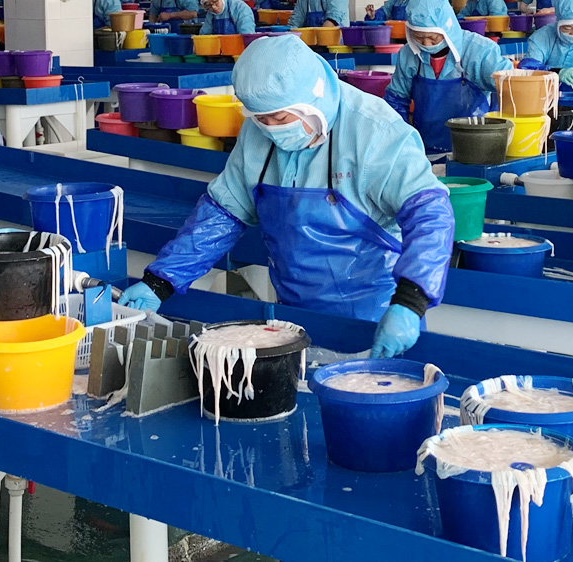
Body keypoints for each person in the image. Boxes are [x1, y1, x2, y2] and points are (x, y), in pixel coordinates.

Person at [116, 33, 455, 360]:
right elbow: (224, 212)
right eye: (261, 119)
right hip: (293, 317)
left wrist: (410, 302)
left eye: (279, 118)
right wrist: (160, 281)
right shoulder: (258, 132)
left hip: (375, 315)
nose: (271, 129)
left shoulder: (375, 131)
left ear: (312, 100)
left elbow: (430, 214)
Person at [383, 0, 507, 153]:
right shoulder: (408, 55)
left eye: (433, 38)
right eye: (419, 37)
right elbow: (396, 101)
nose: (426, 44)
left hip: (476, 148)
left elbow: (509, 87)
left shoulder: (479, 51)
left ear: (447, 29)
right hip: (425, 148)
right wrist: (405, 144)